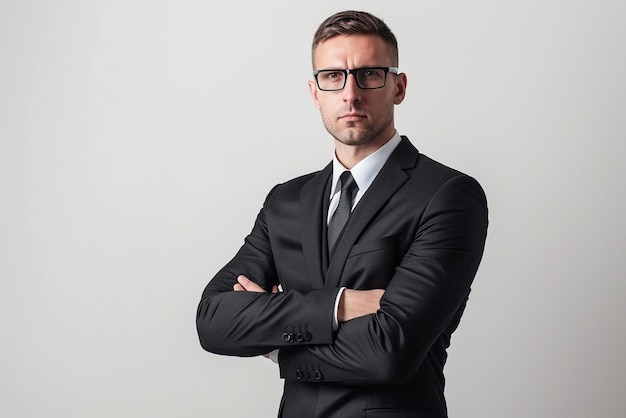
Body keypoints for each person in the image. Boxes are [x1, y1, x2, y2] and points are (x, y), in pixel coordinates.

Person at [196, 10, 488, 418]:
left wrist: (277, 345)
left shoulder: (447, 195)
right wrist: (340, 305)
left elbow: (390, 351)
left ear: (398, 87)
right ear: (315, 92)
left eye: (369, 74)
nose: (350, 94)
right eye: (333, 77)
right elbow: (213, 320)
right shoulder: (286, 201)